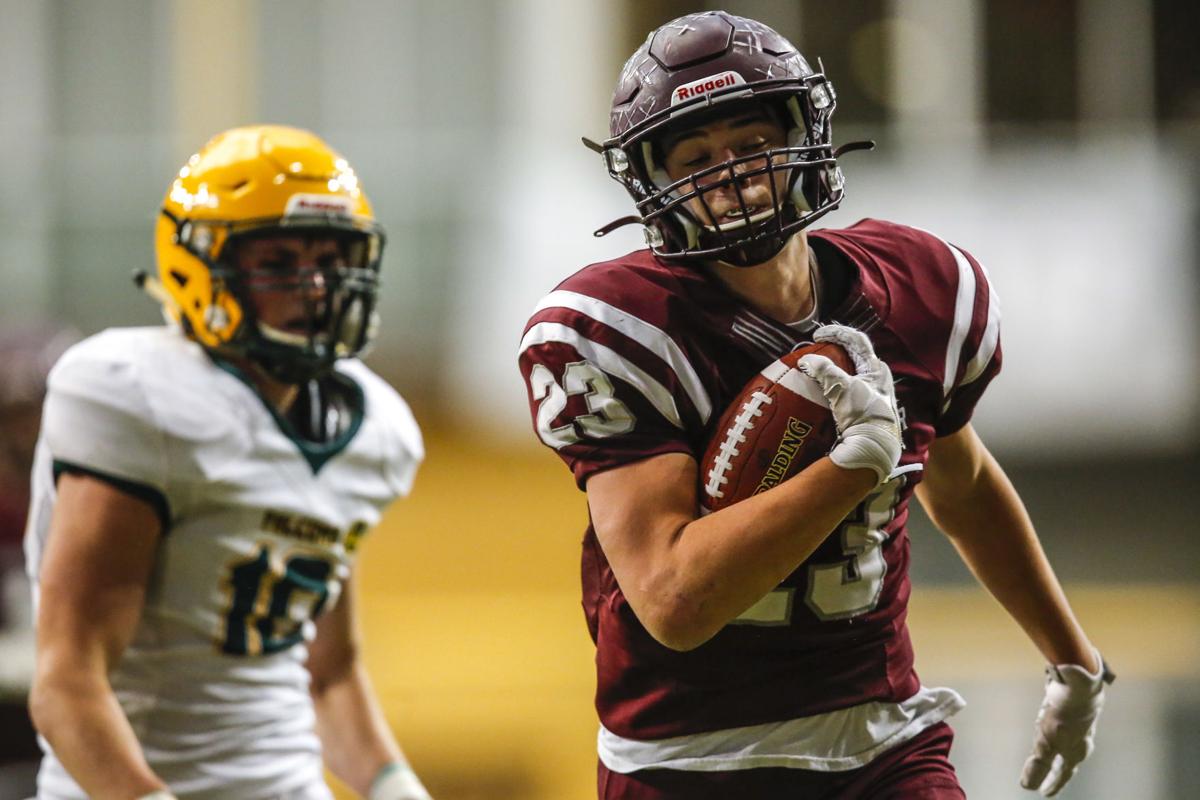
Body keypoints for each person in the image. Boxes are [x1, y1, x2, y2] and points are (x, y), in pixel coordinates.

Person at [518, 11, 1111, 799]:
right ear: (652, 185)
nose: (729, 175)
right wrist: (844, 472)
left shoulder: (921, 288)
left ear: (805, 132)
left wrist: (1074, 657)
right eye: (695, 157)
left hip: (882, 738)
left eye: (750, 144)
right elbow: (672, 601)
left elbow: (961, 487)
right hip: (688, 761)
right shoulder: (619, 329)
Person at [24, 125, 433, 800]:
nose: (315, 285)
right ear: (200, 263)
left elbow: (329, 670)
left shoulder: (376, 428)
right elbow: (68, 681)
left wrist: (395, 787)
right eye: (278, 259)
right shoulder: (135, 395)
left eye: (332, 257)